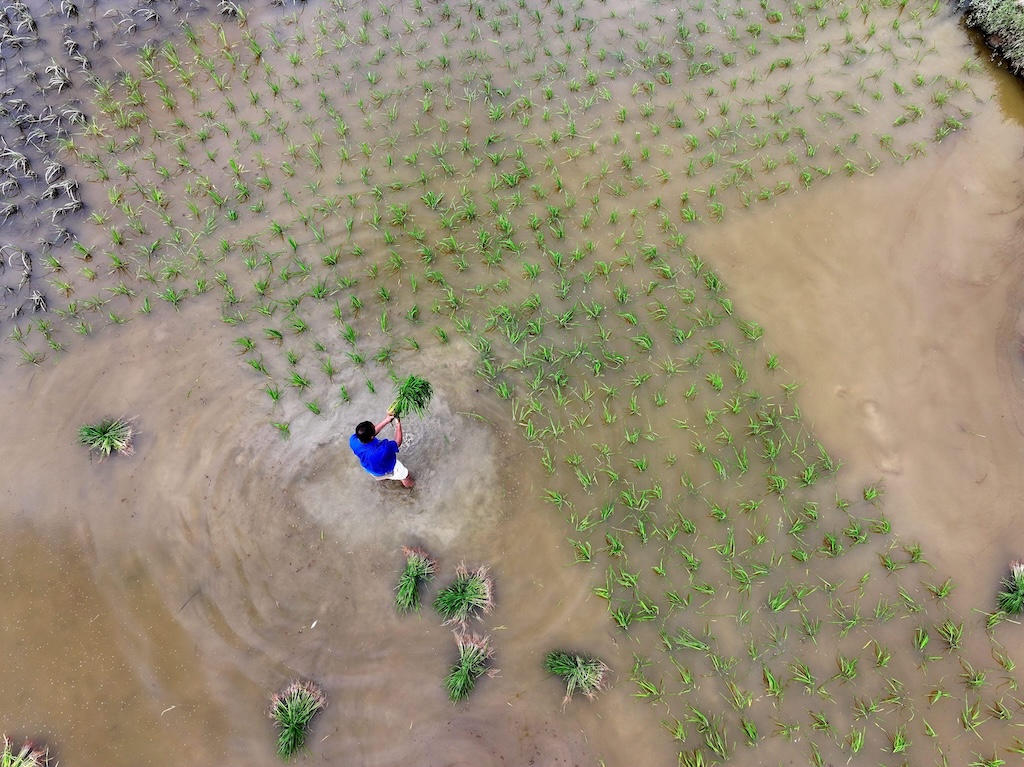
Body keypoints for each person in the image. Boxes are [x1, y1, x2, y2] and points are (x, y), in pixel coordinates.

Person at [349, 412, 414, 488]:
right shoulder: (383, 449)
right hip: (389, 468)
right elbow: (397, 442)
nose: (375, 427)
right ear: (372, 437)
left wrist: (386, 421)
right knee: (405, 476)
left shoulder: (353, 440)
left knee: (380, 474)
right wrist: (398, 425)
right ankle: (412, 489)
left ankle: (383, 479)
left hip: (370, 468)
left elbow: (369, 434)